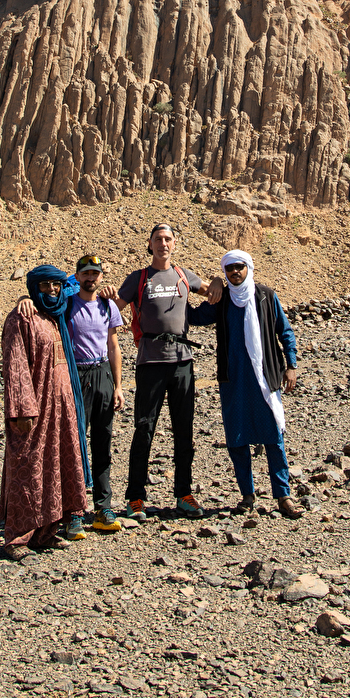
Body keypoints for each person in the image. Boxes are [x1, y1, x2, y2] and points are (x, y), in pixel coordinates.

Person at [107, 223, 220, 522]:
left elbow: (213, 293)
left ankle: (184, 493)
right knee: (144, 429)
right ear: (150, 243)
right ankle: (135, 497)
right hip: (150, 364)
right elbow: (113, 310)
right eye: (158, 239)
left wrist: (219, 280)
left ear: (174, 244)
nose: (163, 244)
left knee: (184, 430)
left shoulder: (185, 275)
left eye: (168, 239)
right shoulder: (138, 278)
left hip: (182, 361)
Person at [188, 249, 304, 518]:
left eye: (239, 267)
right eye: (229, 269)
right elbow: (194, 317)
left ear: (249, 268)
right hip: (233, 380)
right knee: (237, 439)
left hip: (265, 378)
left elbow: (284, 331)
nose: (235, 272)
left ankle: (283, 494)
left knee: (273, 436)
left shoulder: (266, 296)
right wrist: (203, 286)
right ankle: (247, 495)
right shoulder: (223, 299)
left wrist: (291, 365)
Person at [17, 253, 125, 532]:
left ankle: (103, 507)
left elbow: (113, 346)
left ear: (101, 276)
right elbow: (45, 301)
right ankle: (74, 510)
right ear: (77, 277)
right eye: (85, 274)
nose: (91, 278)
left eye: (95, 274)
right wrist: (24, 299)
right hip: (75, 376)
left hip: (102, 374)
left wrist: (119, 386)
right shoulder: (66, 304)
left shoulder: (107, 305)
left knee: (103, 441)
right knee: (73, 442)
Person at [0, 265, 90, 558]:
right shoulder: (20, 318)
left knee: (56, 466)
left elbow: (78, 282)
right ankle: (18, 537)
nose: (52, 291)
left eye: (55, 286)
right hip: (35, 409)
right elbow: (15, 365)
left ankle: (45, 532)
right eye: (45, 286)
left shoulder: (56, 314)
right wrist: (23, 409)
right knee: (28, 469)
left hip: (62, 407)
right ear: (34, 289)